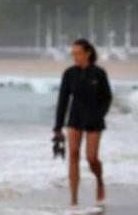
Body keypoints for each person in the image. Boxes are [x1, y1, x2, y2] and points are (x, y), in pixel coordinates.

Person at [53, 38, 113, 207]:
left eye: (78, 53)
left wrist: (100, 114)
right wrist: (58, 127)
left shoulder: (98, 73)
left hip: (94, 120)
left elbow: (107, 97)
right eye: (73, 54)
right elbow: (63, 101)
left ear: (88, 53)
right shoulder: (69, 73)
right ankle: (73, 198)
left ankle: (99, 179)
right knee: (73, 154)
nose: (75, 57)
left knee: (92, 157)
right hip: (75, 119)